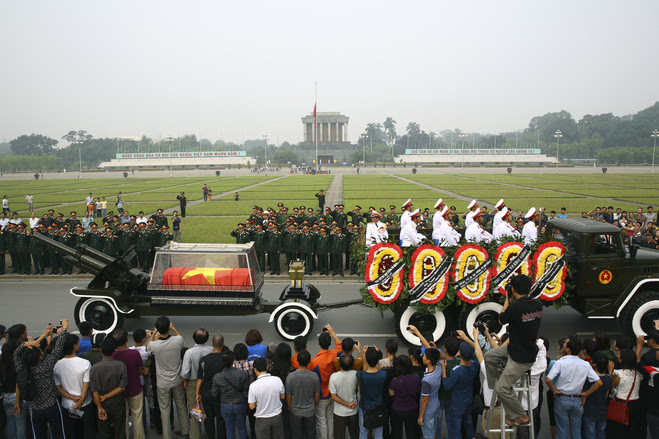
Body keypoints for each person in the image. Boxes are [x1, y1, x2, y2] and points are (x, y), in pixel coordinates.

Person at [484, 274, 542, 427]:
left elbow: (501, 319)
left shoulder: (516, 307)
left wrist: (507, 300)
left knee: (502, 387)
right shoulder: (537, 304)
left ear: (513, 289)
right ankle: (497, 394)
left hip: (521, 358)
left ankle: (521, 416)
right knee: (489, 357)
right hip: (515, 348)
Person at [14, 320, 69, 439]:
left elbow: (16, 354)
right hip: (52, 407)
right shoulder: (45, 367)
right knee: (59, 434)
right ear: (40, 357)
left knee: (39, 436)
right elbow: (57, 349)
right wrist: (64, 329)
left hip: (35, 409)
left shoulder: (23, 368)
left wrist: (27, 344)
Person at [545, 336, 602, 439]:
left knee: (561, 430)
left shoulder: (560, 363)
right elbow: (598, 382)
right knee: (576, 431)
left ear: (568, 349)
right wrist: (586, 393)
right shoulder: (585, 364)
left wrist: (554, 390)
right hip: (577, 400)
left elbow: (548, 379)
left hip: (562, 398)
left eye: (566, 343)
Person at [146, 316, 189, 439]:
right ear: (169, 328)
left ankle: (167, 435)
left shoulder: (155, 345)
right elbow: (182, 340)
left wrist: (154, 332)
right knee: (181, 406)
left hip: (162, 382)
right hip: (177, 380)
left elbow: (147, 347)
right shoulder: (177, 340)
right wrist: (174, 328)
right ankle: (185, 430)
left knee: (164, 410)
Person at [53, 333, 95, 439]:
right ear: (74, 347)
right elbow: (86, 385)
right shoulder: (85, 363)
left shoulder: (57, 365)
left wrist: (73, 398)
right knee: (88, 431)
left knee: (71, 432)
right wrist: (81, 400)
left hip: (67, 405)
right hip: (85, 404)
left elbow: (58, 387)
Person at [441, 339, 480, 439]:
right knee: (469, 426)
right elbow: (477, 354)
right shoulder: (474, 366)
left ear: (460, 354)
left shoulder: (457, 371)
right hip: (468, 403)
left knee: (455, 431)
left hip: (456, 405)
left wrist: (444, 371)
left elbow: (447, 386)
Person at [90, 337, 128, 439]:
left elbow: (94, 390)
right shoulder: (121, 366)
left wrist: (99, 407)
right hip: (118, 402)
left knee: (104, 431)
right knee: (120, 430)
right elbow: (121, 388)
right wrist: (106, 397)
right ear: (114, 350)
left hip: (102, 403)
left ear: (101, 350)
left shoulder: (94, 368)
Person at [309, 324, 343, 439]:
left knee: (321, 420)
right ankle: (331, 436)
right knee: (330, 418)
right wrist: (332, 333)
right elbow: (341, 347)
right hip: (332, 393)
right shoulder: (334, 354)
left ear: (318, 343)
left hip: (321, 395)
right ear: (329, 344)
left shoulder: (315, 362)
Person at [112, 328, 145, 439]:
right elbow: (140, 371)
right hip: (135, 389)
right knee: (137, 417)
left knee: (123, 418)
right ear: (126, 339)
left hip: (120, 392)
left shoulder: (113, 355)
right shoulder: (134, 353)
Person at [181, 328, 213, 439]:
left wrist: (185, 382)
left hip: (194, 383)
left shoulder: (189, 352)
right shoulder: (211, 350)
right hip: (209, 382)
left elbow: (185, 372)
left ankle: (195, 435)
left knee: (195, 410)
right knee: (210, 409)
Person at [196, 334, 229, 439]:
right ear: (223, 344)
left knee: (209, 418)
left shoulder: (204, 360)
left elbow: (200, 378)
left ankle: (210, 436)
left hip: (206, 393)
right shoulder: (225, 360)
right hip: (221, 393)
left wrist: (197, 393)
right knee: (221, 418)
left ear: (212, 344)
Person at [212, 351, 250, 439]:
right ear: (233, 361)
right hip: (239, 403)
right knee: (242, 427)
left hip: (225, 404)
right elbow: (246, 388)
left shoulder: (217, 377)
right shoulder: (241, 374)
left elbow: (214, 393)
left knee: (229, 429)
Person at [0, 324, 29, 439]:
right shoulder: (18, 363)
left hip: (5, 396)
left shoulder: (4, 359)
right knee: (20, 424)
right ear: (21, 334)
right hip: (16, 397)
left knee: (10, 423)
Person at [286, 349, 320, 439]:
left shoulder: (290, 377)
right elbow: (317, 395)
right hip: (310, 411)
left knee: (296, 435)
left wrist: (290, 407)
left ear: (297, 360)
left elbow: (289, 397)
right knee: (310, 434)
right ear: (309, 361)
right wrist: (316, 405)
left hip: (295, 411)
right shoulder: (314, 377)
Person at [248, 357, 286, 439]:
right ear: (267, 367)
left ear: (255, 370)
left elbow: (252, 406)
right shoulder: (277, 380)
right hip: (277, 417)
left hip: (262, 420)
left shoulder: (253, 386)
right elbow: (282, 396)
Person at [608, 348, 642, 437]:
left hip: (621, 404)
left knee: (618, 431)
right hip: (635, 404)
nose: (617, 356)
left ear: (622, 359)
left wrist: (610, 371)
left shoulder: (619, 373)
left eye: (619, 355)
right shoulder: (637, 374)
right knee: (632, 430)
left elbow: (611, 385)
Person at [357, 345, 388, 439]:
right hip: (378, 408)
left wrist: (364, 355)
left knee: (363, 433)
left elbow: (364, 371)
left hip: (364, 407)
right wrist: (377, 355)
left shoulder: (360, 375)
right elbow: (378, 370)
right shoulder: (383, 375)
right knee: (378, 434)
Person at [388, 355, 421, 439]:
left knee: (397, 432)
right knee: (411, 432)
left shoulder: (395, 380)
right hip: (412, 409)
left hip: (397, 409)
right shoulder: (417, 377)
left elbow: (391, 393)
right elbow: (417, 391)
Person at [581, 352, 612, 439]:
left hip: (589, 410)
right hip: (603, 410)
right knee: (601, 432)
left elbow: (584, 396)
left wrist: (581, 408)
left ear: (593, 364)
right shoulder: (608, 379)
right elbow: (606, 396)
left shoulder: (589, 379)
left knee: (589, 433)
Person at [329, 353, 359, 439]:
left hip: (339, 413)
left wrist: (347, 404)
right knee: (354, 435)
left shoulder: (334, 377)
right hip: (353, 411)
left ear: (339, 364)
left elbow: (333, 396)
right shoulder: (355, 374)